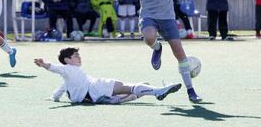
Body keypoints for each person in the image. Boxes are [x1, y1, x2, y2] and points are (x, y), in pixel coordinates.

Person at [34, 47, 182, 104]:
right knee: (127, 86)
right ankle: (157, 91)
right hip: (95, 87)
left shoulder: (70, 77)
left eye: (79, 55)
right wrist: (44, 64)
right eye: (75, 55)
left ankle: (134, 94)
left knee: (128, 94)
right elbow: (54, 68)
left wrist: (54, 98)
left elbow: (61, 89)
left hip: (89, 97)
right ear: (67, 60)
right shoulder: (68, 69)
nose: (79, 58)